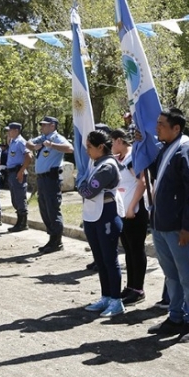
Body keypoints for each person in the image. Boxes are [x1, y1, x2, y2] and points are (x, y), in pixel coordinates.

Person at [143, 108, 189, 343]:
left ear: (176, 128)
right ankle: (175, 316)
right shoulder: (167, 147)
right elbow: (156, 174)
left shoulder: (187, 149)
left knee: (187, 275)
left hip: (179, 227)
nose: (157, 127)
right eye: (157, 123)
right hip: (161, 224)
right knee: (171, 275)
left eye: (161, 124)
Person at [78, 130, 126, 318]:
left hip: (106, 215)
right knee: (100, 260)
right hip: (93, 216)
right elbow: (85, 186)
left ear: (101, 147)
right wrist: (82, 184)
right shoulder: (95, 164)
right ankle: (106, 296)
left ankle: (116, 300)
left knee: (109, 259)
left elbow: (88, 191)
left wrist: (81, 184)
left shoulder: (107, 166)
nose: (87, 151)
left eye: (90, 147)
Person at [111, 129, 149, 306]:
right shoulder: (119, 158)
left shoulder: (132, 158)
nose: (111, 146)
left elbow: (142, 182)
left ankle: (138, 289)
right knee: (127, 250)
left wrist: (133, 206)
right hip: (123, 210)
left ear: (119, 141)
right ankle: (130, 286)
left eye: (112, 142)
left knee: (136, 249)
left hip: (134, 212)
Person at [27, 116, 73, 253]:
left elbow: (69, 148)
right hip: (42, 179)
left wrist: (52, 145)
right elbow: (27, 143)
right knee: (44, 209)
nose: (42, 127)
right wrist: (34, 146)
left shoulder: (56, 138)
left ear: (52, 126)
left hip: (51, 179)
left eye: (44, 125)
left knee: (52, 209)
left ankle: (56, 241)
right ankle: (52, 238)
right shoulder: (42, 137)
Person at [5, 122, 31, 233]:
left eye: (10, 130)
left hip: (17, 172)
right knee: (15, 198)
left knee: (20, 198)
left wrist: (20, 171)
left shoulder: (20, 141)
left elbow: (29, 156)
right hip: (11, 172)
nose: (8, 132)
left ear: (16, 131)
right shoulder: (13, 142)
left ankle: (23, 223)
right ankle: (19, 221)